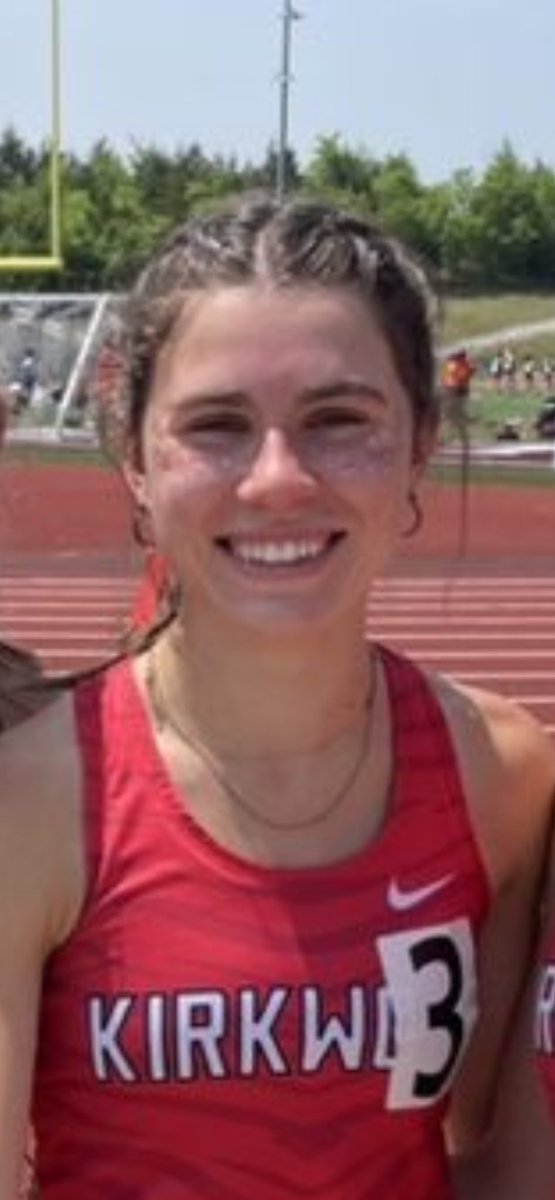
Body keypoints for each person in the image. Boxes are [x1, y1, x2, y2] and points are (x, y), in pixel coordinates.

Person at [1, 196, 554, 1200]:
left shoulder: (503, 780)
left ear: (421, 441)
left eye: (338, 421)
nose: (276, 479)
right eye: (215, 426)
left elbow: (489, 1157)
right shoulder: (29, 808)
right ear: (134, 458)